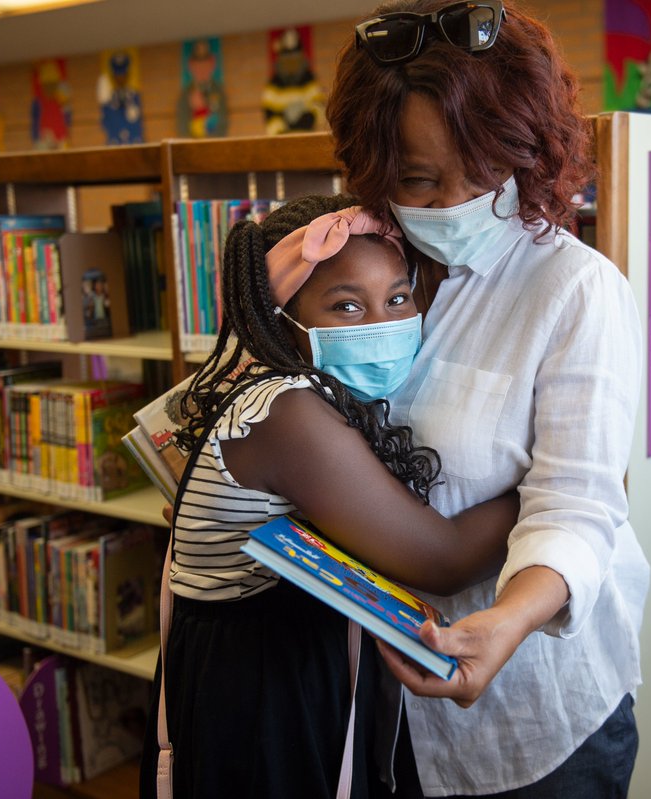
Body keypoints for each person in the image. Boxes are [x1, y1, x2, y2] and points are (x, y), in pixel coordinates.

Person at [327, 1, 650, 796]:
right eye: (420, 181)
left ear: (526, 150)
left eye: (483, 170)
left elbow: (577, 503)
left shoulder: (574, 290)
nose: (458, 203)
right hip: (376, 703)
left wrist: (507, 620)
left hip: (534, 711)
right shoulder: (350, 267)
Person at [137, 193, 519, 798]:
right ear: (283, 318)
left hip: (289, 665)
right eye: (346, 306)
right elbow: (442, 559)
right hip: (260, 689)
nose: (382, 325)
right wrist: (549, 483)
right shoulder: (288, 412)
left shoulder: (312, 394)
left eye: (397, 298)